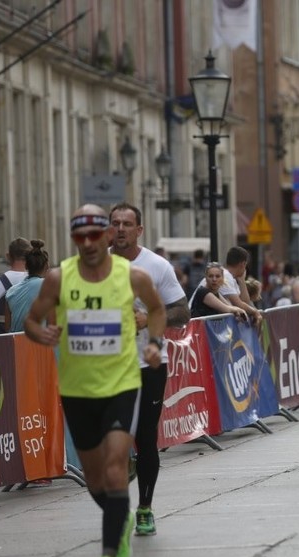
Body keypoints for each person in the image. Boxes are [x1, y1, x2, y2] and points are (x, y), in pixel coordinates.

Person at [24, 204, 167, 557]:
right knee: (95, 479)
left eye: (94, 235)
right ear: (74, 238)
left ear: (105, 235)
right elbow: (31, 321)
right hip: (78, 390)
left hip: (122, 383)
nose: (88, 243)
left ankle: (110, 554)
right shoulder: (58, 278)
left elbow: (157, 309)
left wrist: (154, 343)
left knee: (117, 466)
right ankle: (121, 517)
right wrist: (42, 334)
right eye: (79, 236)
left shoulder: (132, 276)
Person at [109, 203, 191, 538]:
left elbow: (182, 312)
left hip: (149, 364)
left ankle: (144, 508)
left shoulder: (157, 266)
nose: (121, 229)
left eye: (127, 224)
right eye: (115, 223)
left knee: (145, 438)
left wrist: (149, 319)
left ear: (139, 230)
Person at [192, 247, 261, 324]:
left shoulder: (216, 292)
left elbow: (236, 305)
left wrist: (242, 281)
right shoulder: (204, 292)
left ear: (222, 278)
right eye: (210, 276)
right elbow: (229, 308)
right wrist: (255, 312)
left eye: (217, 276)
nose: (214, 279)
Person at [4, 239, 50, 332]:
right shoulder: (48, 287)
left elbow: (7, 329)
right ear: (46, 266)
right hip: (40, 344)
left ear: (26, 266)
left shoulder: (10, 292)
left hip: (18, 345)